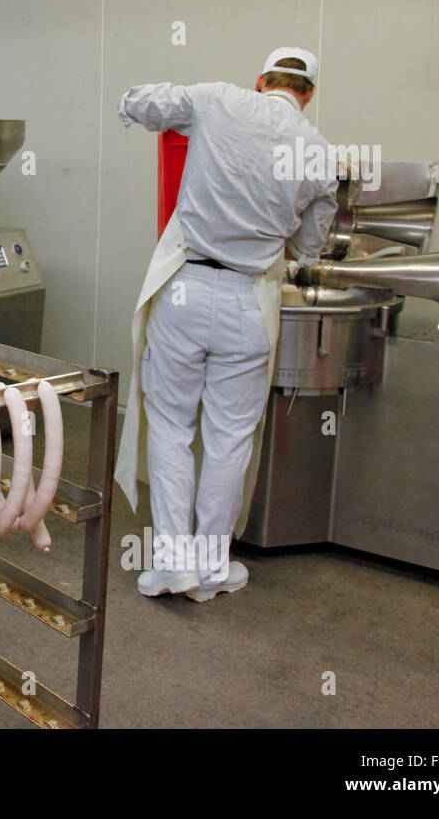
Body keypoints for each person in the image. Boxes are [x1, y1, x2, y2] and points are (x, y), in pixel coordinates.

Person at [113, 47, 338, 602]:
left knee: (170, 426)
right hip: (248, 300)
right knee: (230, 439)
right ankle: (213, 567)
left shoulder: (219, 100)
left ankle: (171, 562)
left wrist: (132, 105)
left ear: (261, 80)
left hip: (185, 290)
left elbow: (142, 102)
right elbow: (309, 247)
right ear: (308, 93)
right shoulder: (321, 153)